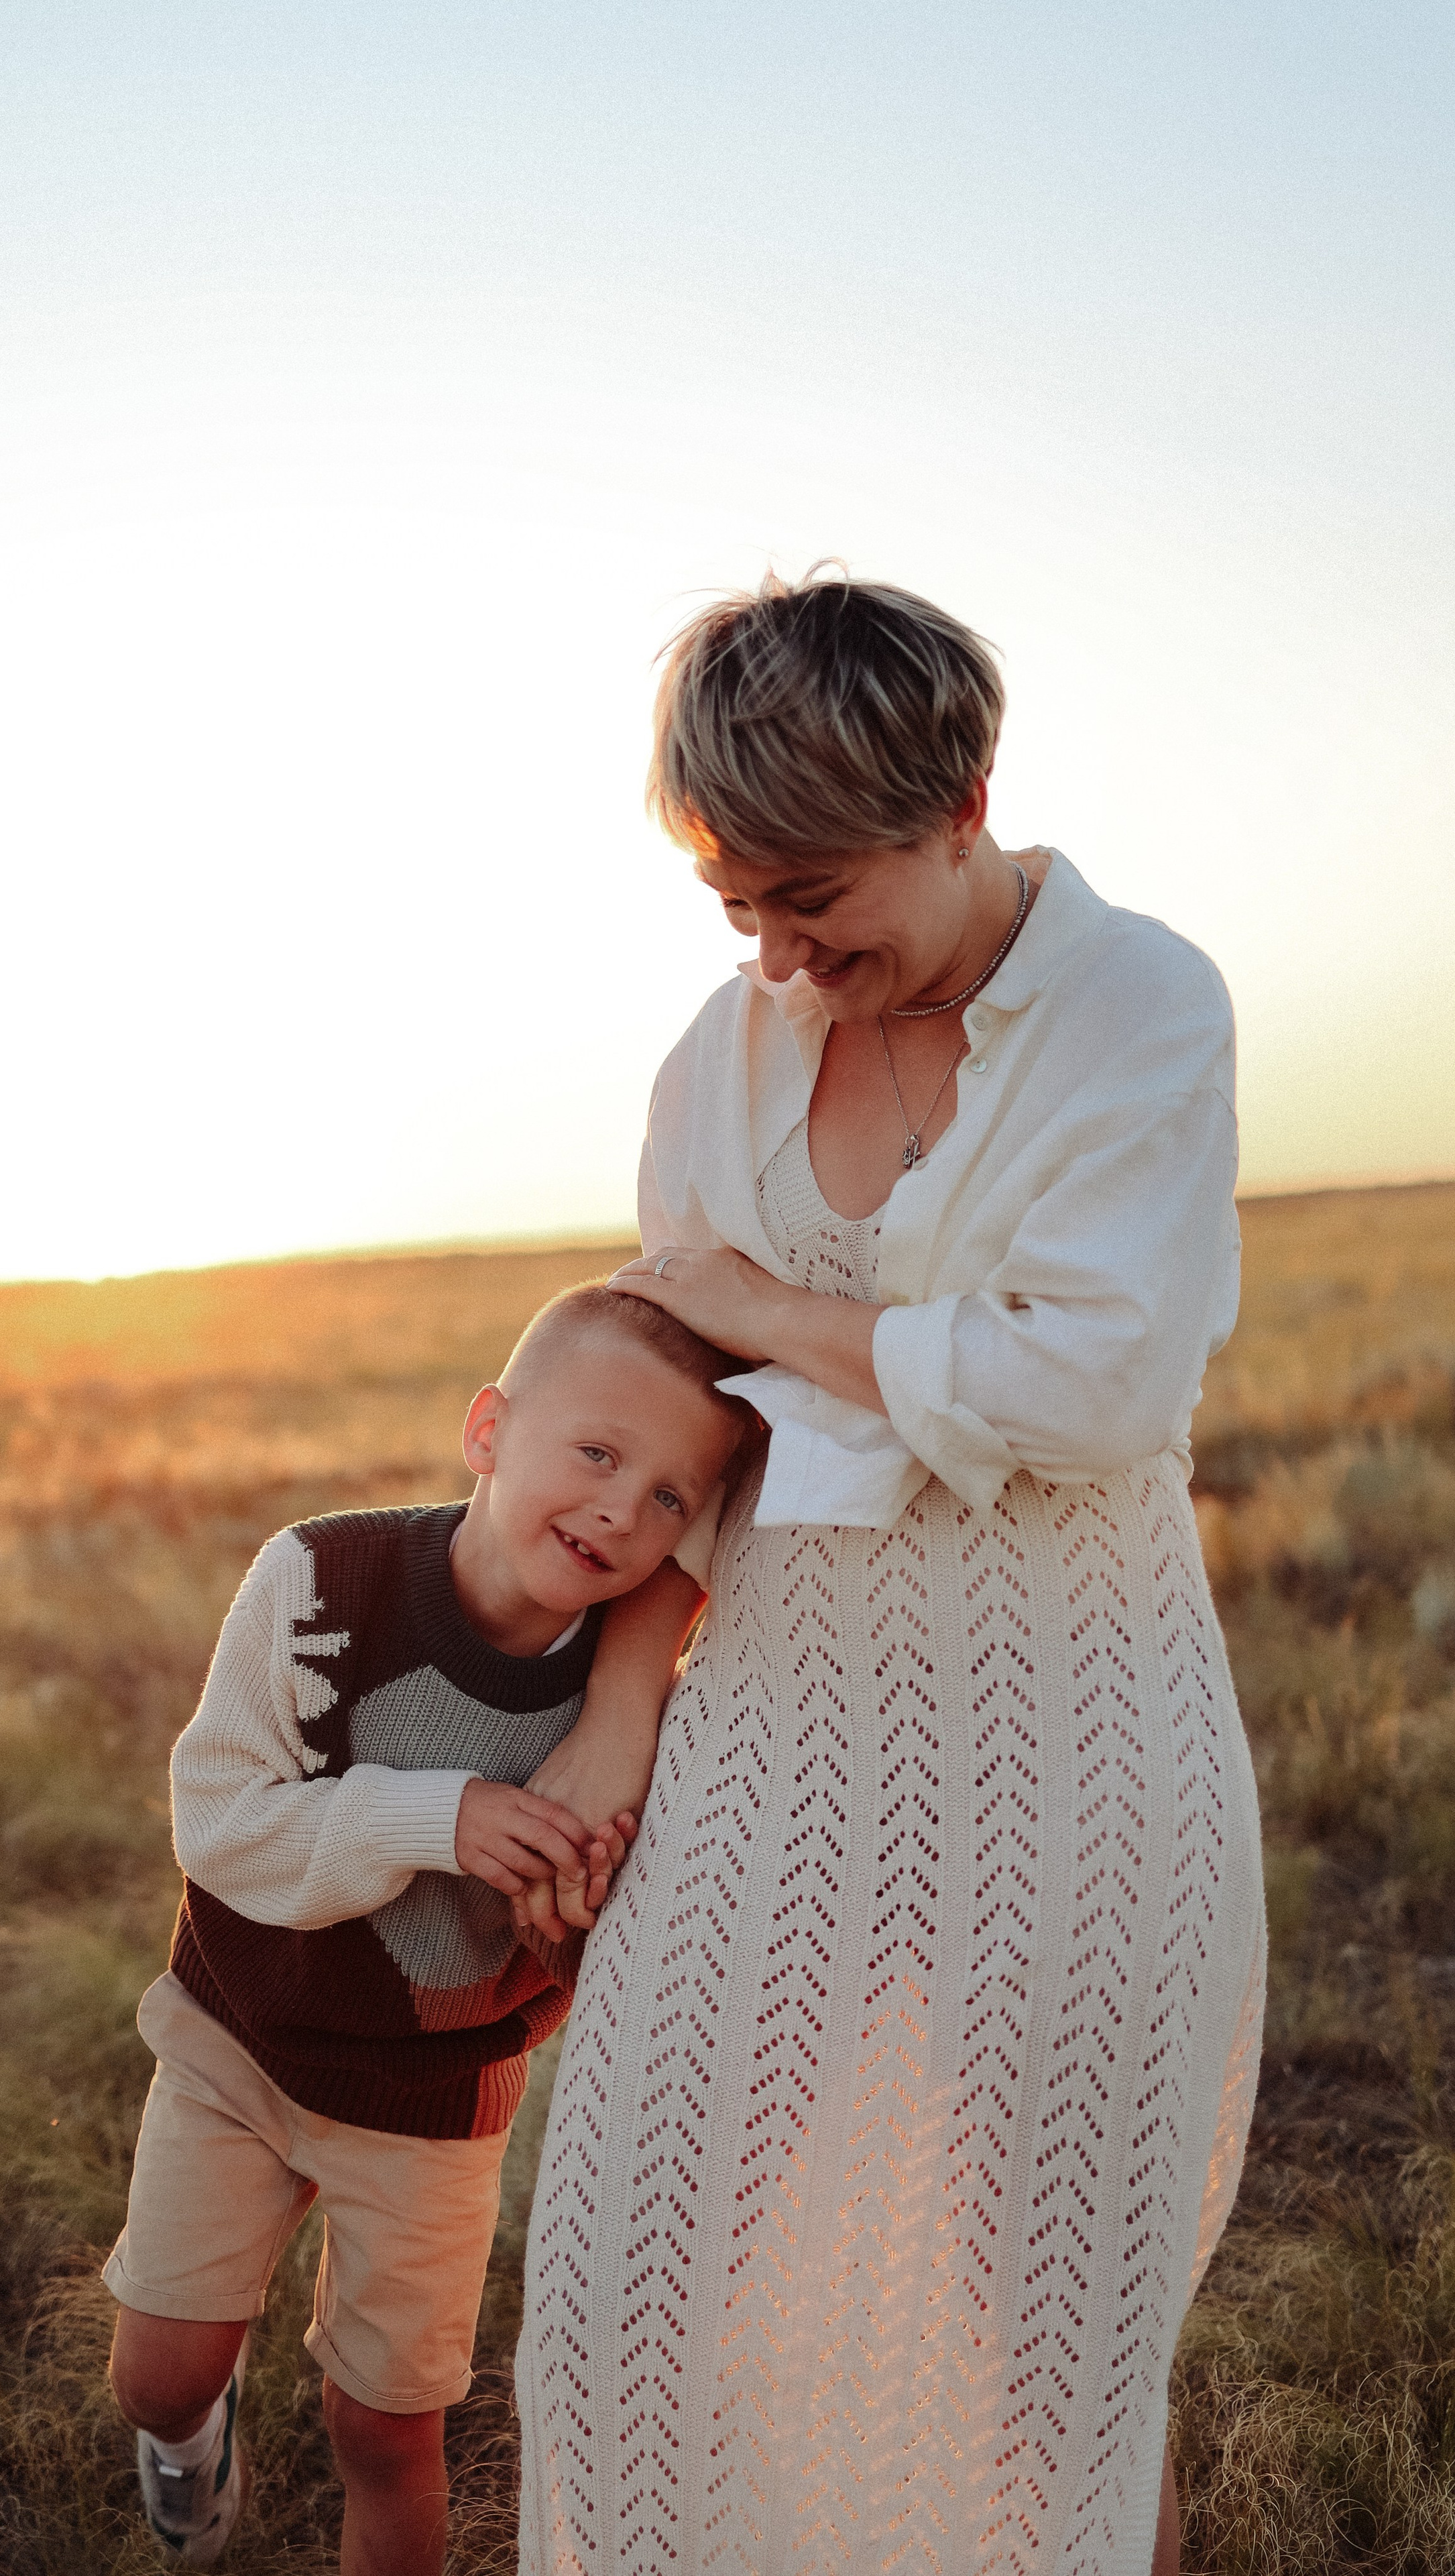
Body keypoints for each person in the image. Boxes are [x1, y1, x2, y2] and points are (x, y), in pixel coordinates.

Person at [514, 573, 1267, 2576]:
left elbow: (1093, 1385)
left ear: (964, 801)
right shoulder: (723, 1054)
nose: (775, 951)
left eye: (810, 896)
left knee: (1063, 2351)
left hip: (1079, 1733)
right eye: (735, 903)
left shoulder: (1139, 1002)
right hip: (769, 1735)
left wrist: (765, 1298)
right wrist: (612, 1714)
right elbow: (687, 1433)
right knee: (630, 2286)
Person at [105, 1284, 746, 2573]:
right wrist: (433, 1817)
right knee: (157, 2376)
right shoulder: (319, 1581)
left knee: (388, 2433)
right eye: (600, 1454)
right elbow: (219, 1822)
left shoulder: (638, 1711)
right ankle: (188, 2438)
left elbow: (595, 1940)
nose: (625, 1507)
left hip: (440, 2096)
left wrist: (565, 1914)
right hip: (245, 2037)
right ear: (488, 1430)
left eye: (673, 1495)